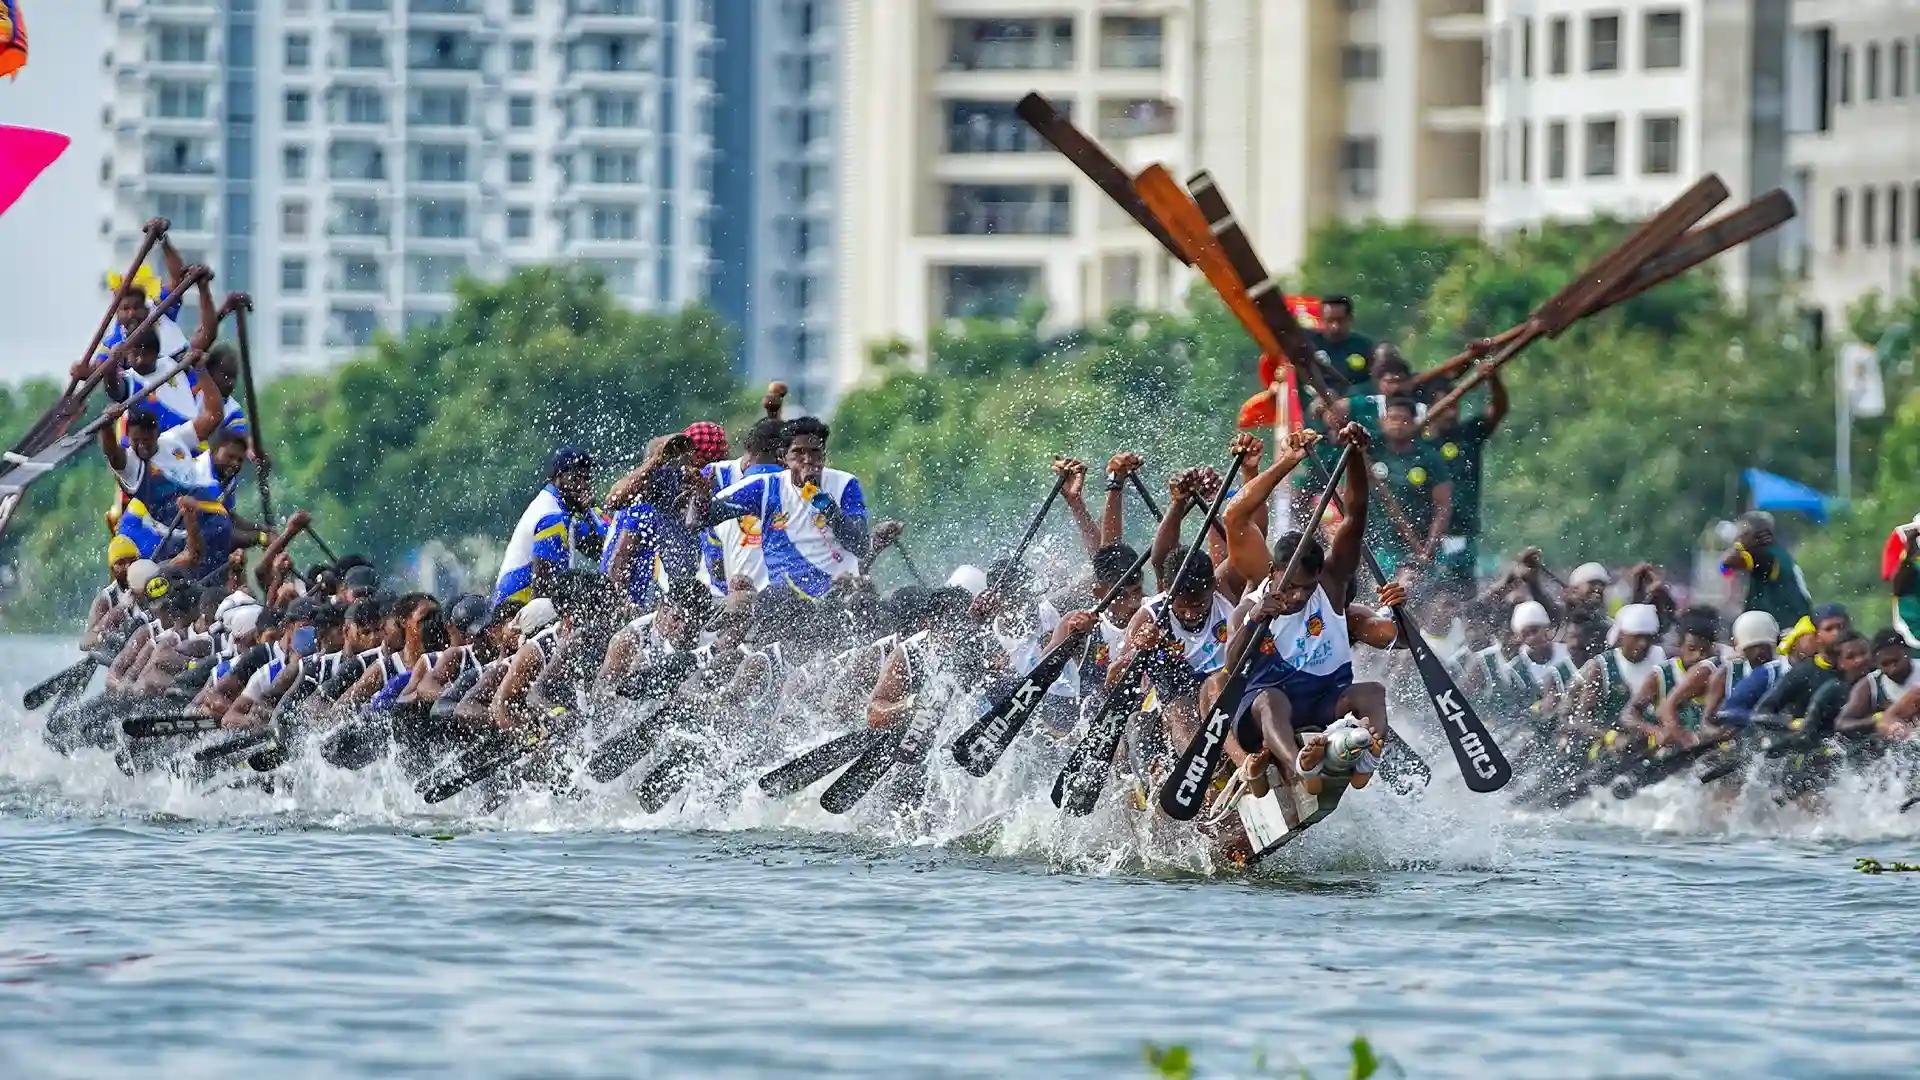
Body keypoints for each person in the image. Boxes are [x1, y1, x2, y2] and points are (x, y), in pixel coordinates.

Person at [1220, 423, 1385, 795]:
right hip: (1267, 708)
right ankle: (1300, 770)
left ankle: (1368, 762)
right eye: (1291, 587)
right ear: (1273, 571)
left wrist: (1356, 457)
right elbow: (1231, 665)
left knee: (1372, 692)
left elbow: (1355, 515)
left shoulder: (1330, 585)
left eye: (1305, 589)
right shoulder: (1249, 604)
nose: (1297, 597)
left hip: (1326, 701)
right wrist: (1256, 619)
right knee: (1269, 699)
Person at [710, 416, 870, 598]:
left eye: (815, 452)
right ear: (783, 457)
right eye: (798, 453)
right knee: (775, 599)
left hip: (840, 592)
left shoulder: (844, 484)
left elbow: (861, 545)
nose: (808, 460)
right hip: (786, 597)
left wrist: (830, 509)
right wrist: (699, 499)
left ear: (824, 455)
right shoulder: (766, 486)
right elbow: (704, 517)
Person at [98, 357, 233, 571]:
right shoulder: (131, 465)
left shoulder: (173, 439)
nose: (141, 446)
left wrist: (200, 370)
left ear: (157, 433)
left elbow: (213, 415)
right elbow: (112, 454)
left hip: (213, 524)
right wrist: (106, 425)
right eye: (136, 441)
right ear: (129, 438)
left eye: (147, 440)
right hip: (175, 541)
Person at [1422, 372, 1508, 588]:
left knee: (1463, 595)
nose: (1451, 413)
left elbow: (1499, 409)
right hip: (1426, 539)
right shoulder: (1419, 446)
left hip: (1463, 531)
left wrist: (1493, 379)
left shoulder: (1469, 433)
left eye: (1454, 406)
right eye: (1445, 407)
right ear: (1431, 408)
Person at [494, 446, 607, 605]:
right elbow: (542, 587)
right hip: (515, 609)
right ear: (558, 477)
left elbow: (602, 550)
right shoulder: (551, 516)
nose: (583, 486)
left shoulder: (563, 511)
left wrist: (589, 512)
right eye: (575, 479)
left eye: (586, 479)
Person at [1366, 398, 1452, 578]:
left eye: (1404, 420)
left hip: (1418, 546)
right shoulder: (1369, 452)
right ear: (1382, 422)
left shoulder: (1429, 458)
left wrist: (1428, 549)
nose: (1398, 424)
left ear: (1414, 424)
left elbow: (1442, 507)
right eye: (1393, 418)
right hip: (1379, 545)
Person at [1720, 511, 1812, 628]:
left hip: (1784, 625)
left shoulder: (1764, 557)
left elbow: (1726, 563)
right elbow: (1724, 569)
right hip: (1793, 622)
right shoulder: (1778, 554)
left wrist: (1738, 544)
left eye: (1744, 533)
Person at [1706, 610, 1788, 730]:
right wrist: (1718, 734)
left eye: (1764, 647)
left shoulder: (1787, 670)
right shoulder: (1724, 675)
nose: (1760, 653)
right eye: (1753, 648)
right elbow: (1707, 722)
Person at [1838, 629, 1920, 736]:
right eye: (1885, 664)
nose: (1893, 669)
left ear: (1907, 652)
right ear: (1875, 663)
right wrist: (1877, 720)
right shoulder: (1869, 685)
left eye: (1896, 661)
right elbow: (1842, 724)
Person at [1306, 295, 1377, 395]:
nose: (1335, 327)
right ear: (1321, 320)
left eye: (1340, 320)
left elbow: (1376, 383)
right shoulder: (1308, 344)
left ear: (1350, 319)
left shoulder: (1365, 346)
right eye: (1329, 320)